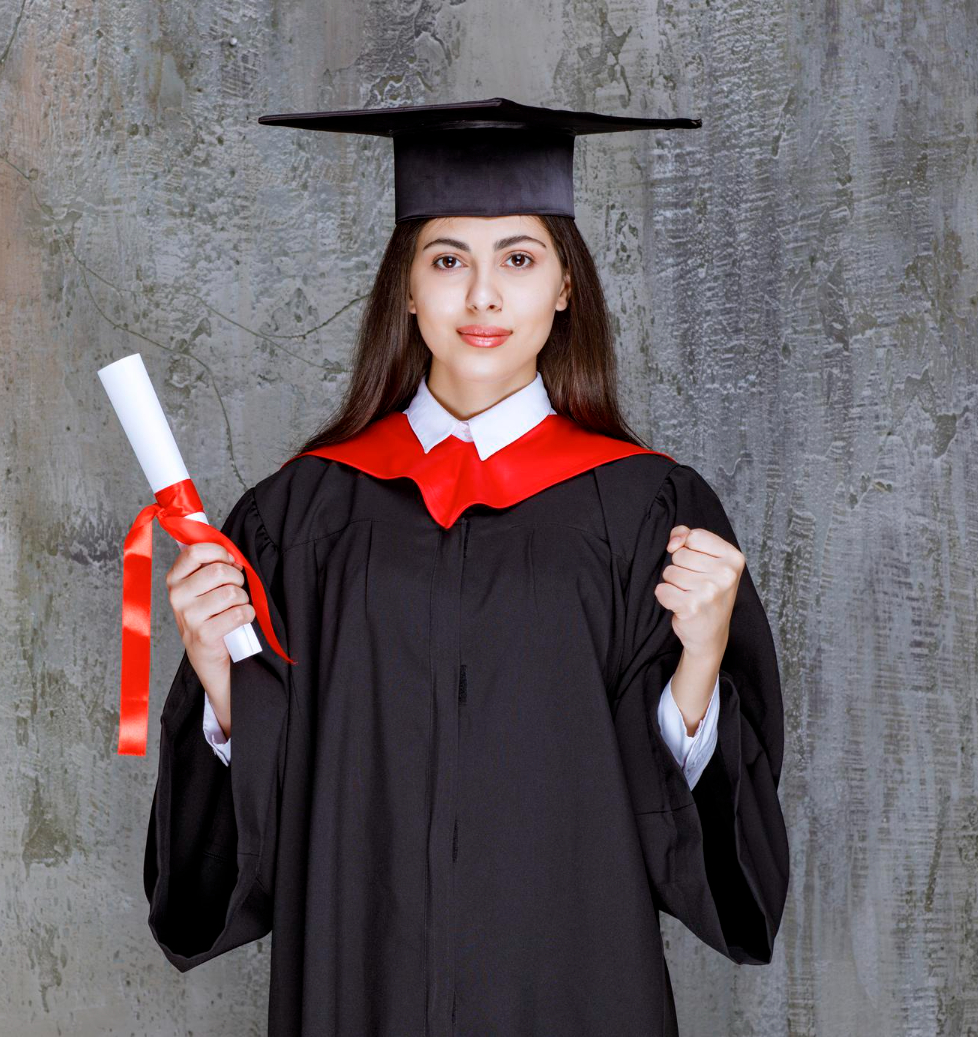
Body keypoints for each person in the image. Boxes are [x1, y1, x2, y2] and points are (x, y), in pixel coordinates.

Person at [142, 98, 789, 1036]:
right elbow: (261, 839)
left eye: (518, 259)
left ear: (565, 285)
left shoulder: (647, 510)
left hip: (570, 982)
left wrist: (700, 662)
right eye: (448, 260)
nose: (483, 297)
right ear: (406, 289)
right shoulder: (304, 513)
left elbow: (703, 852)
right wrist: (220, 687)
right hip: (364, 979)